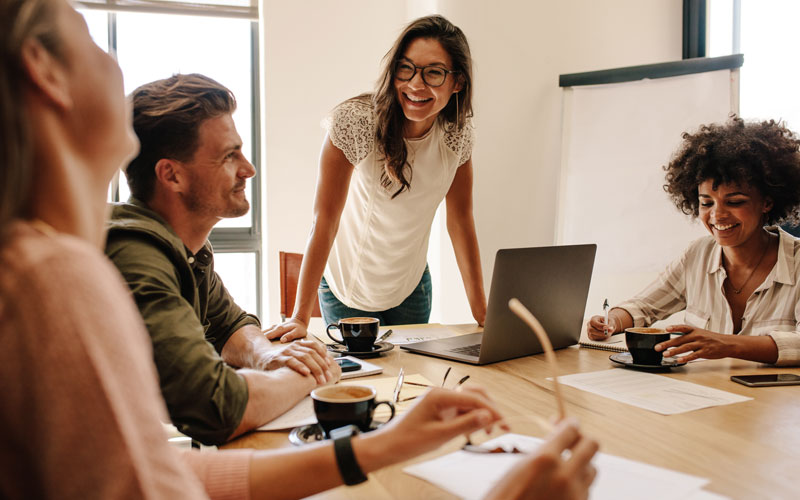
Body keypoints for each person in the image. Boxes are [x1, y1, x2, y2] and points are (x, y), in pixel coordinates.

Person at [1, 0, 600, 498]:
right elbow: (215, 411)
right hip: (348, 292)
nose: (252, 168)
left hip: (403, 287)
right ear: (43, 69)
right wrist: (312, 364)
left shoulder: (163, 252)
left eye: (436, 73)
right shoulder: (59, 274)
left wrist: (380, 443)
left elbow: (159, 472)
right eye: (84, 31)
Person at [103, 73, 340, 445]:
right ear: (172, 175)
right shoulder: (137, 257)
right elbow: (215, 408)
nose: (249, 169)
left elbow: (227, 325)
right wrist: (308, 375)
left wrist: (269, 357)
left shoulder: (185, 247)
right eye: (229, 156)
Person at [265, 15, 487, 342]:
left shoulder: (457, 134)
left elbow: (460, 220)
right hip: (347, 290)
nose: (415, 84)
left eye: (434, 73)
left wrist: (482, 311)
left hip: (411, 287)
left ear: (458, 83)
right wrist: (300, 316)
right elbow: (324, 219)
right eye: (406, 68)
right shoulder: (356, 123)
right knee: (359, 382)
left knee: (411, 382)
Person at [586, 117, 800, 366]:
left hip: (775, 403)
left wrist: (725, 344)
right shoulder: (697, 254)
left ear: (767, 202)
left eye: (735, 202)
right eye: (706, 203)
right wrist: (611, 322)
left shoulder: (796, 261)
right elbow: (643, 307)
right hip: (707, 395)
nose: (717, 215)